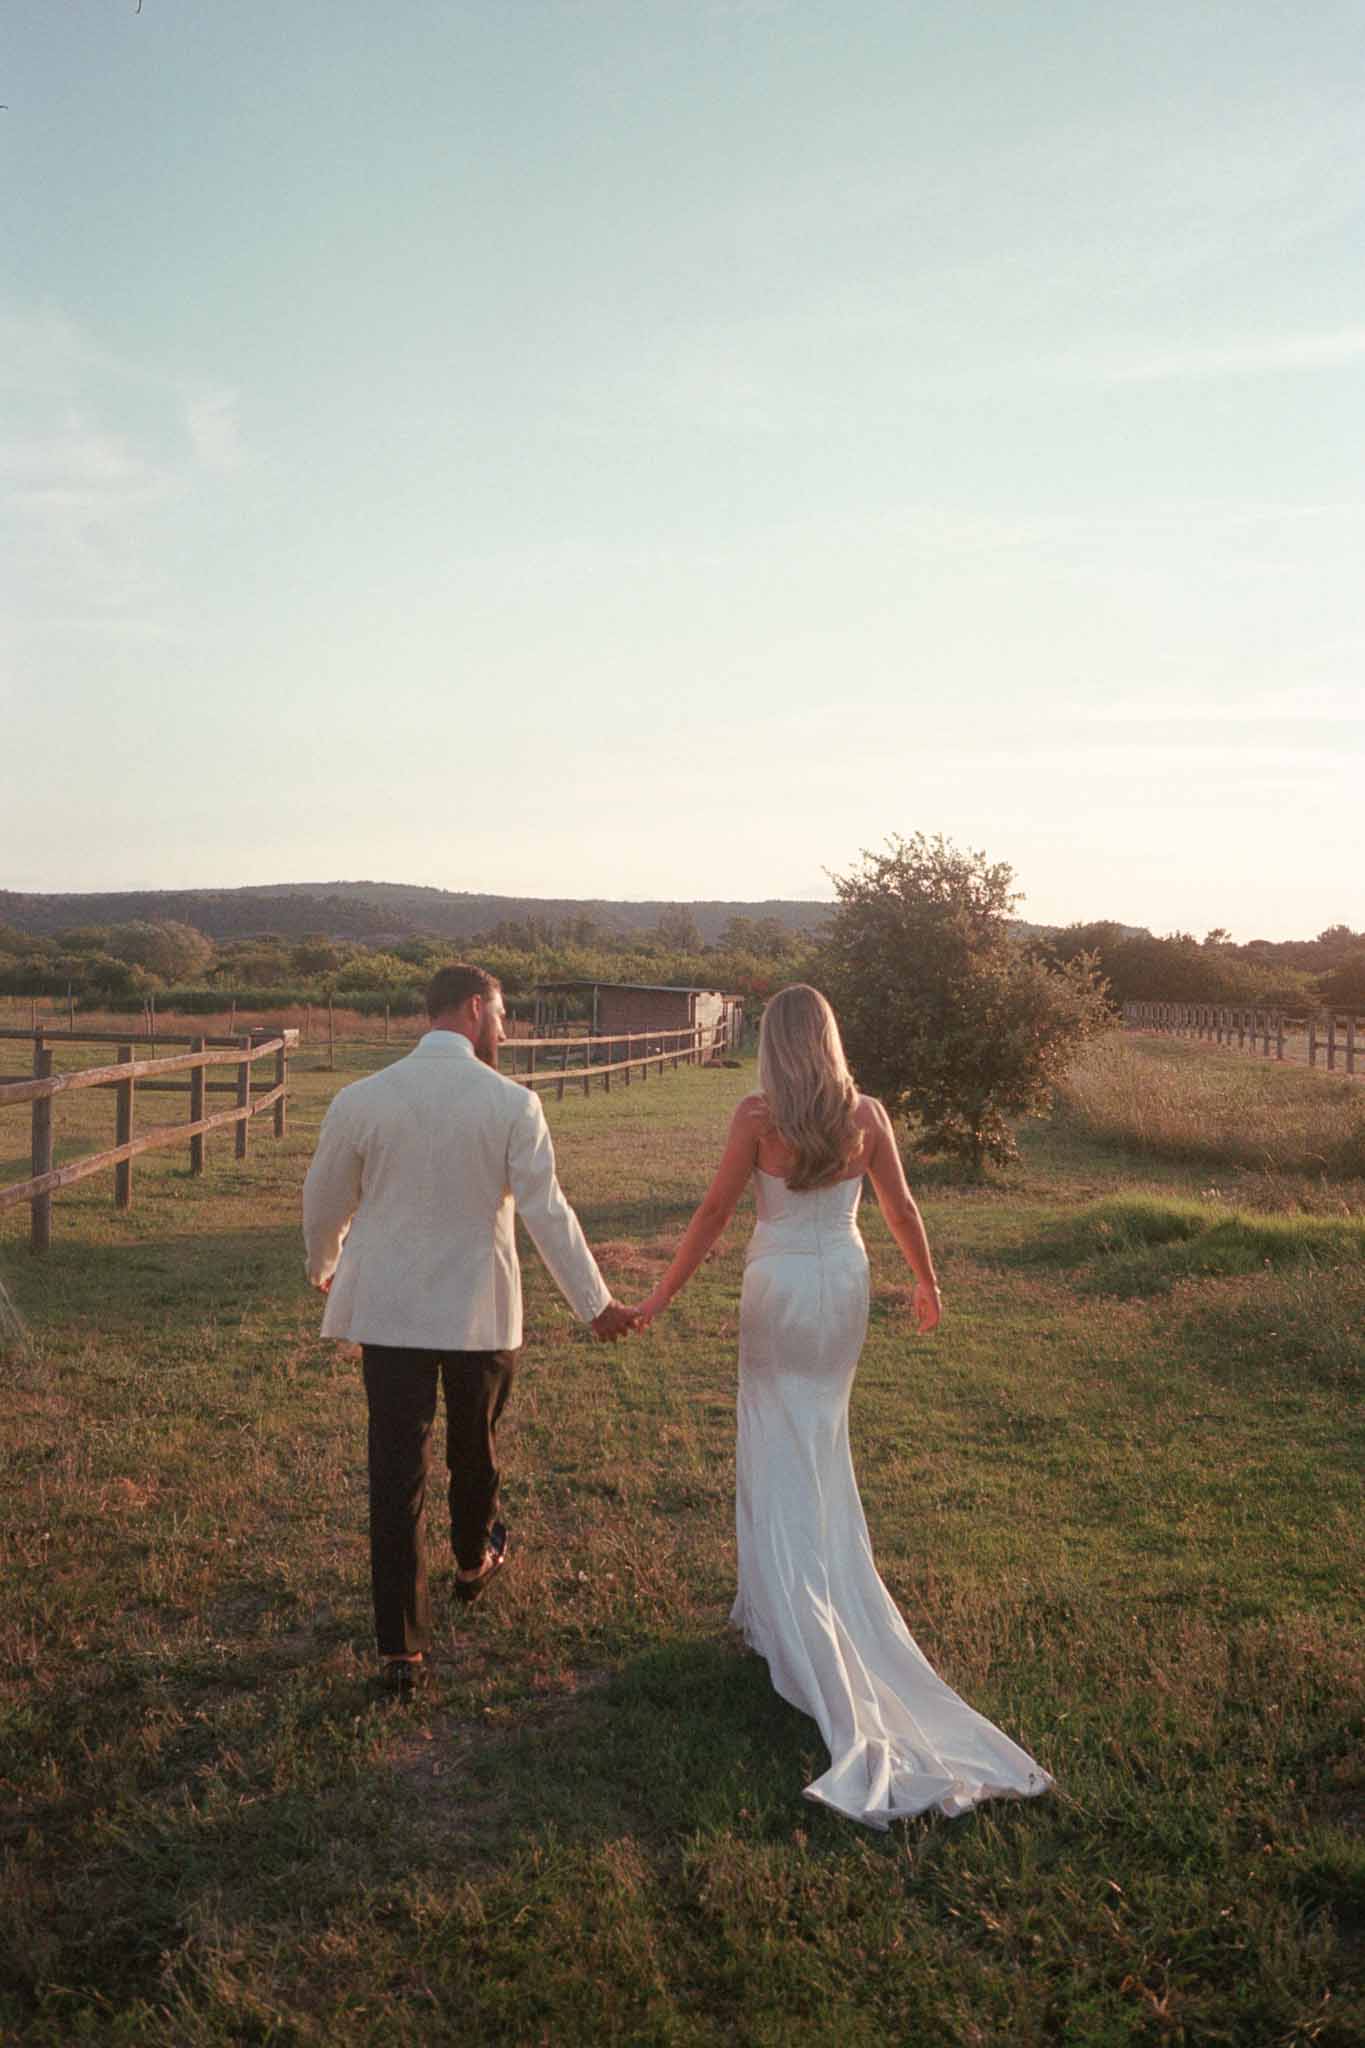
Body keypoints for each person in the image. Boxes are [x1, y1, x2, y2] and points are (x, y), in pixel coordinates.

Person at [631, 984, 1052, 1828]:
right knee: (820, 1441)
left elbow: (715, 1212)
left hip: (778, 1286)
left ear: (773, 1045)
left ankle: (784, 1613)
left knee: (774, 1438)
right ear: (828, 1038)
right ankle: (787, 1598)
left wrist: (658, 1298)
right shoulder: (865, 1113)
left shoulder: (757, 1117)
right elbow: (899, 1206)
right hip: (844, 1283)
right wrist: (926, 1282)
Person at [303, 962, 636, 1696]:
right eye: (504, 1015)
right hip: (479, 1312)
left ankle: (401, 1648)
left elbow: (325, 1195)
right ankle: (471, 1559)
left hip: (389, 1311)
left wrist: (322, 1261)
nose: (508, 1030)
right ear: (476, 1009)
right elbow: (547, 1212)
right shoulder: (512, 1103)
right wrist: (595, 1304)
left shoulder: (362, 1097)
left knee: (396, 1470)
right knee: (473, 1445)